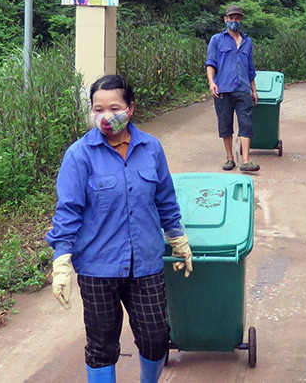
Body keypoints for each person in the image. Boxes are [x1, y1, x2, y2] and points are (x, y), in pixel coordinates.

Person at [47, 74, 193, 383]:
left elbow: (165, 198)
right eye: (97, 109)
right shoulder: (79, 156)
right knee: (102, 346)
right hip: (98, 268)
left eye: (113, 107)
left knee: (156, 339)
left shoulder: (151, 149)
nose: (105, 116)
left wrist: (178, 238)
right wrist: (61, 261)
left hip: (146, 263)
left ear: (131, 109)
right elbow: (68, 211)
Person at [205, 5, 260, 172]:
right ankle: (230, 158)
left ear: (241, 20)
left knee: (246, 124)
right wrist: (211, 82)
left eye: (237, 18)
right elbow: (210, 63)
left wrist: (254, 90)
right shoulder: (216, 40)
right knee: (225, 124)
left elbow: (250, 68)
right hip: (223, 90)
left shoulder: (247, 42)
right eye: (231, 18)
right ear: (225, 19)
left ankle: (245, 160)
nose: (234, 21)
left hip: (243, 89)